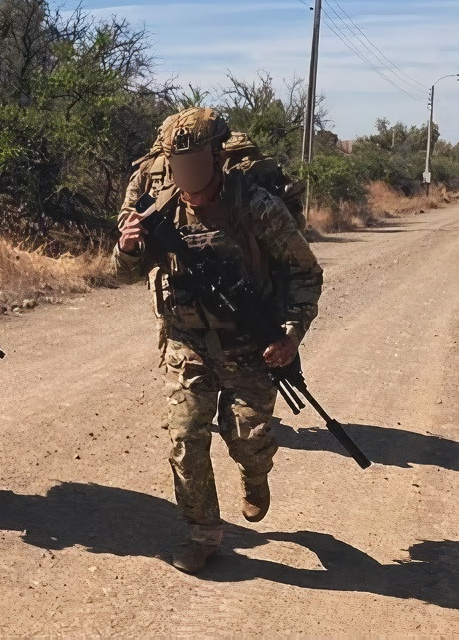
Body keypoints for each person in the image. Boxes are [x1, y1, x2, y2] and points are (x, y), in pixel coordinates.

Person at [112, 107, 323, 573]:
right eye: (177, 163)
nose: (187, 173)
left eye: (197, 162)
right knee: (186, 438)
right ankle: (203, 533)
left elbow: (304, 274)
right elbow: (122, 271)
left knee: (247, 438)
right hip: (185, 341)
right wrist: (128, 246)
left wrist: (290, 334)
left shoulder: (256, 207)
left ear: (217, 156)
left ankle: (255, 471)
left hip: (250, 345)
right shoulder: (155, 206)